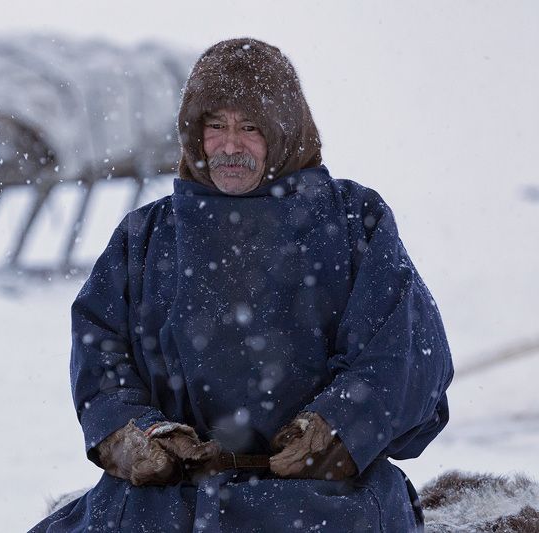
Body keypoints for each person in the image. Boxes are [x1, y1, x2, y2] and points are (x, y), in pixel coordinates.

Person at [31, 37, 453, 532]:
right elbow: (100, 351)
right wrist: (135, 435)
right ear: (194, 134)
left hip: (324, 501)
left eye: (250, 128)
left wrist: (335, 429)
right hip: (168, 500)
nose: (230, 146)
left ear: (285, 133)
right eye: (216, 127)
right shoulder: (145, 236)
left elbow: (403, 352)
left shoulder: (354, 221)